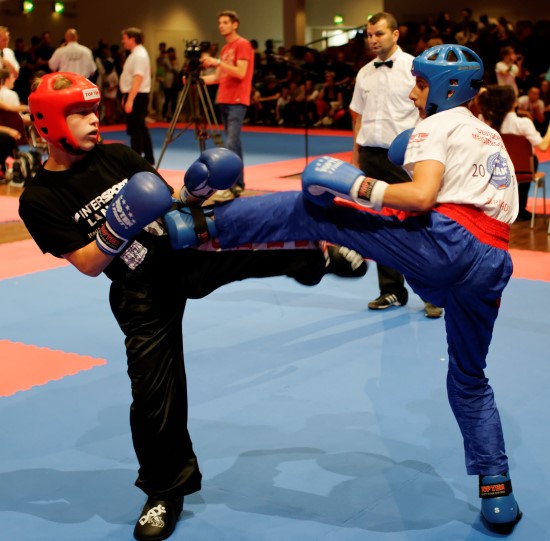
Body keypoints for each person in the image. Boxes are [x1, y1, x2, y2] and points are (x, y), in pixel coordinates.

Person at [166, 44, 523, 536]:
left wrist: (359, 186)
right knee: (469, 377)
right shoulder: (491, 137)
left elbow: (419, 197)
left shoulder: (436, 126)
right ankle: (496, 487)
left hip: (446, 245)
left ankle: (198, 228)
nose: (415, 90)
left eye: (421, 83)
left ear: (445, 88)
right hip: (492, 263)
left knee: (313, 208)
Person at [18, 72, 366, 541]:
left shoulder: (119, 155)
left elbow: (168, 206)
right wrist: (116, 227)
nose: (93, 120)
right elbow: (86, 263)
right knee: (152, 396)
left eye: (94, 109)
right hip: (139, 292)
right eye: (79, 113)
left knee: (238, 232)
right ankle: (164, 491)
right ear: (48, 124)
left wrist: (196, 192)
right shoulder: (40, 197)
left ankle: (316, 256)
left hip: (180, 253)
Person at [350, 12, 442, 318]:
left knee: (416, 223)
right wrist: (356, 156)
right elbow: (357, 117)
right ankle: (391, 290)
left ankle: (432, 292)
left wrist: (425, 153)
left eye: (378, 33)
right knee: (380, 224)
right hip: (371, 155)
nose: (373, 40)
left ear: (395, 34)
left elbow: (428, 111)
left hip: (405, 156)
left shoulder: (415, 68)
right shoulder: (364, 72)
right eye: (369, 35)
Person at [201, 10, 254, 200]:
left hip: (237, 100)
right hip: (224, 98)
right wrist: (198, 79)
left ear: (235, 24)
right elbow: (218, 77)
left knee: (232, 142)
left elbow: (240, 72)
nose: (221, 25)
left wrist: (217, 62)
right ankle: (237, 184)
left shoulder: (243, 45)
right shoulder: (225, 49)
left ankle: (233, 184)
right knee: (232, 143)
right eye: (220, 23)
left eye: (225, 22)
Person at [477, 84, 550, 221]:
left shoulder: (486, 121)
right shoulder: (523, 123)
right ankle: (520, 209)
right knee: (529, 160)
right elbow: (543, 146)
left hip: (494, 168)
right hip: (524, 170)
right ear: (513, 102)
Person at [119, 27, 155, 165]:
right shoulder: (136, 53)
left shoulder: (139, 55)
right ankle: (149, 157)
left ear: (132, 39)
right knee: (140, 128)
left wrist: (130, 100)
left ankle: (136, 159)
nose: (123, 41)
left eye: (125, 38)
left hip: (137, 95)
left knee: (136, 130)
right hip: (135, 94)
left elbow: (138, 78)